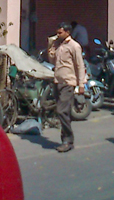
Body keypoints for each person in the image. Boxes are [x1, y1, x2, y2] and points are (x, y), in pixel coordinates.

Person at [48, 22, 87, 153]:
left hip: (68, 82)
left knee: (61, 111)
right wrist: (51, 47)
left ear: (67, 32)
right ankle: (66, 139)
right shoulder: (58, 45)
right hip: (57, 81)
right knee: (65, 112)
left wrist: (81, 84)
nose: (58, 35)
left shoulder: (74, 46)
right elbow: (52, 61)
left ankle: (68, 139)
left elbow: (80, 65)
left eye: (60, 33)